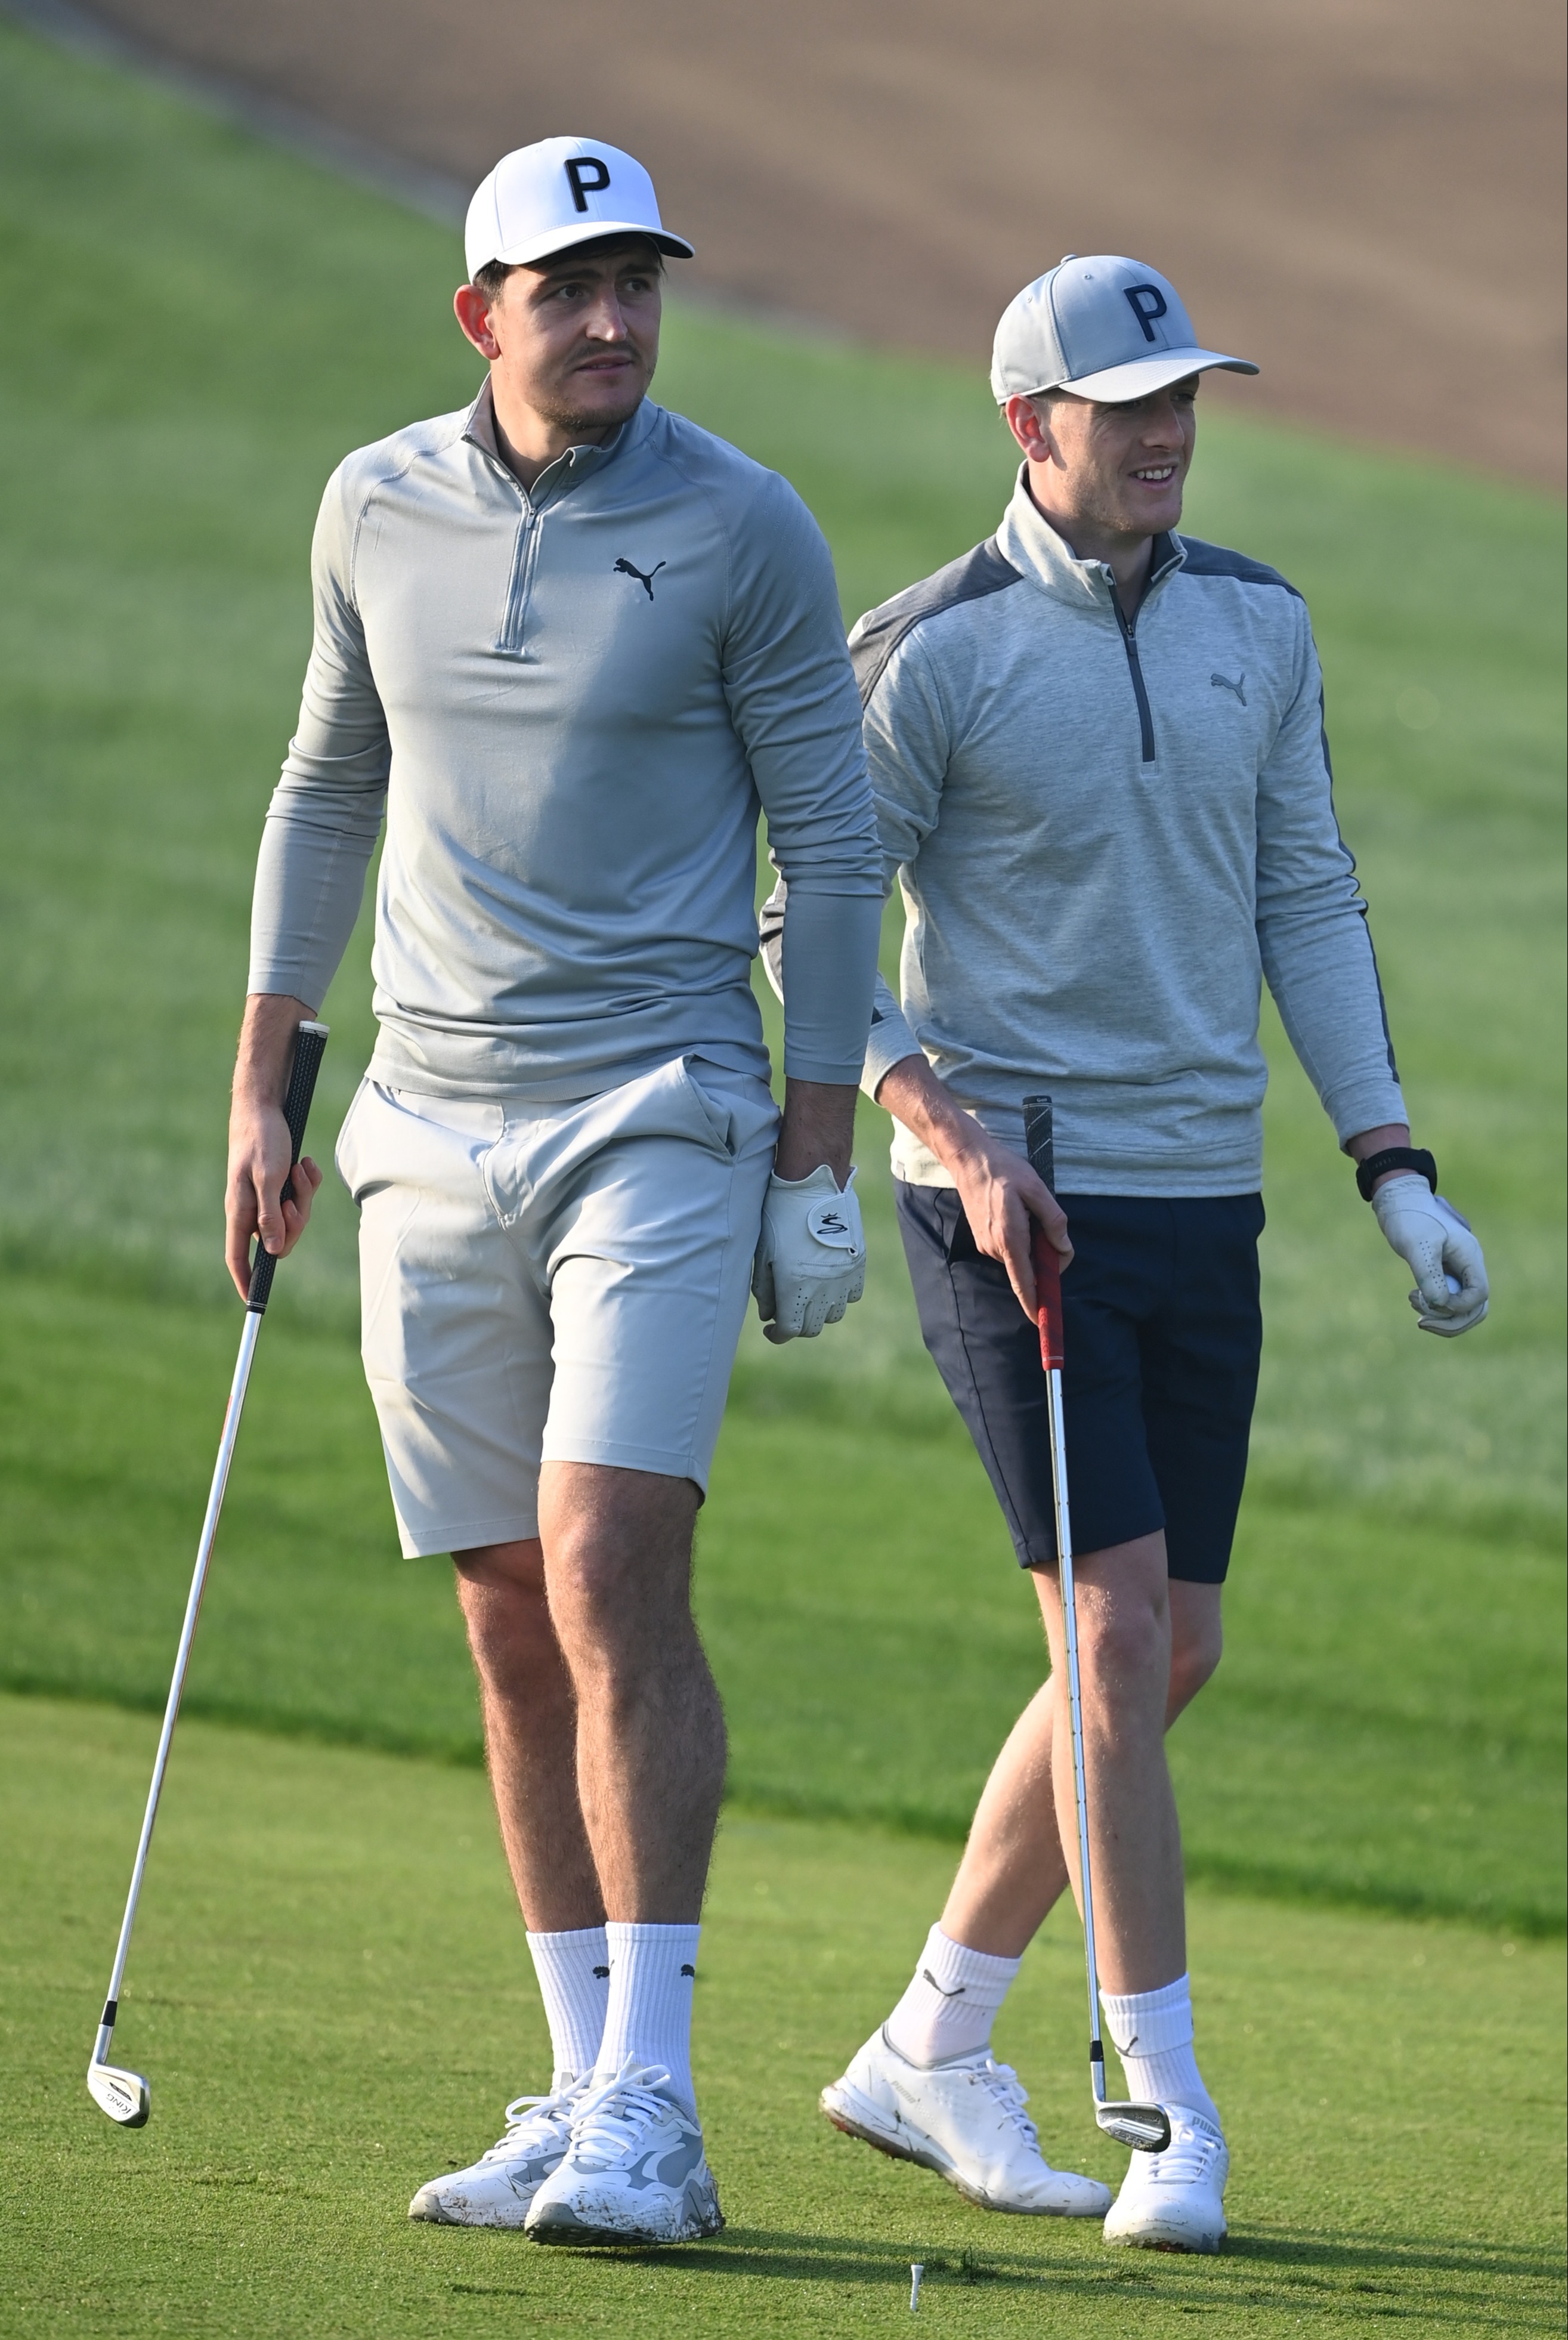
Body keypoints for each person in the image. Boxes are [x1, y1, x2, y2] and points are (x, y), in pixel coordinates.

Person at [778, 255, 1488, 2252]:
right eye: (1132, 403)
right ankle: (1166, 2102)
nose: (1174, 429)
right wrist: (951, 1135)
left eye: (1189, 396)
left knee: (1170, 1645)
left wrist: (1392, 1162)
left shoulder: (1264, 621)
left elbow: (1309, 892)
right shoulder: (929, 649)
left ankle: (928, 2039)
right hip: (1020, 1210)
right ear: (1031, 426)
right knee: (1105, 1638)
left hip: (1207, 1196)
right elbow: (808, 934)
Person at [225, 135, 882, 2246]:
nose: (613, 319)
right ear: (480, 312)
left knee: (611, 1563)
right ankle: (580, 2070)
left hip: (657, 1108)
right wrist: (264, 1090)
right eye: (569, 286)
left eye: (639, 283)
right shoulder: (370, 503)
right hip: (422, 1116)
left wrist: (811, 1144)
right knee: (507, 1609)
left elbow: (838, 842)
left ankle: (662, 2117)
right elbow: (329, 784)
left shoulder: (741, 524)